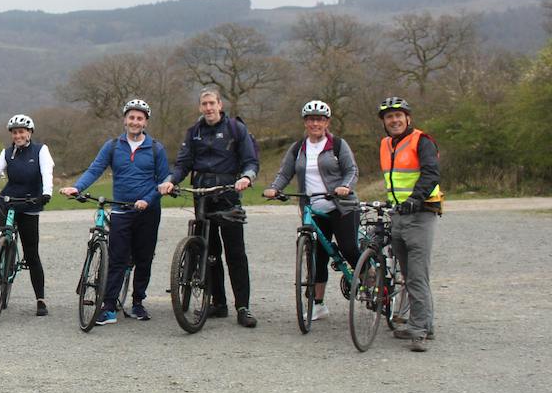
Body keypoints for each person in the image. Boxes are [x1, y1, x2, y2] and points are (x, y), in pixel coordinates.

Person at [158, 88, 260, 328]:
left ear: (220, 104)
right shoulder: (194, 132)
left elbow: (250, 161)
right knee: (209, 252)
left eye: (212, 103)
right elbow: (183, 163)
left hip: (228, 195)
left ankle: (243, 307)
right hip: (201, 194)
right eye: (204, 104)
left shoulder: (236, 129)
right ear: (199, 107)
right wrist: (171, 181)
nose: (208, 108)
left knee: (235, 253)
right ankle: (218, 302)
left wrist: (246, 177)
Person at [62, 99, 167, 324]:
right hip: (121, 210)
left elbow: (163, 182)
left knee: (144, 258)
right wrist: (77, 187)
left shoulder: (156, 149)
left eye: (140, 118)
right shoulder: (112, 146)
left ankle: (138, 303)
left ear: (146, 122)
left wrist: (147, 200)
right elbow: (95, 169)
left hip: (147, 212)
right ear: (125, 120)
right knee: (117, 259)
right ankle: (109, 306)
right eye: (131, 117)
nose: (135, 122)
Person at [262, 100, 360, 319]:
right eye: (311, 119)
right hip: (312, 210)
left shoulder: (337, 145)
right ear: (305, 122)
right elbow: (285, 173)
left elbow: (351, 170)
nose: (315, 123)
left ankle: (371, 278)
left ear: (327, 122)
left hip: (341, 207)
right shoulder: (298, 148)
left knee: (349, 247)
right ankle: (318, 304)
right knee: (316, 256)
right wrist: (274, 188)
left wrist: (345, 187)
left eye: (320, 119)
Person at [377, 96, 443, 352]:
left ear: (408, 118)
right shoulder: (386, 144)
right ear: (384, 122)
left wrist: (416, 199)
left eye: (398, 116)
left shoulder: (422, 141)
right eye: (389, 117)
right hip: (398, 215)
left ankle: (418, 331)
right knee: (408, 274)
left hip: (420, 214)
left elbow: (431, 173)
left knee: (416, 275)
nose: (394, 120)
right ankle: (426, 324)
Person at [0, 114, 54, 316]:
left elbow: (47, 172)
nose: (18, 135)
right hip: (7, 201)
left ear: (29, 133)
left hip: (30, 203)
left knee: (31, 253)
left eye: (22, 132)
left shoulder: (40, 150)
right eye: (15, 132)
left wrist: (47, 193)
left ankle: (40, 299)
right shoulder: (7, 152)